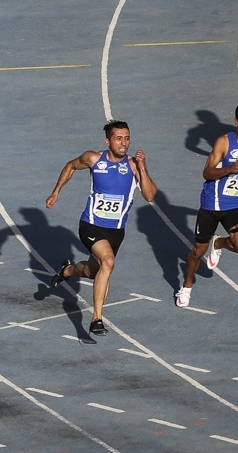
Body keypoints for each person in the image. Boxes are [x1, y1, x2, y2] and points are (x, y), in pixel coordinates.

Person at [45, 120, 157, 337]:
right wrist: (56, 191)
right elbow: (70, 166)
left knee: (92, 271)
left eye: (127, 138)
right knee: (108, 262)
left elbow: (150, 195)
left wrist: (143, 169)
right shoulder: (94, 159)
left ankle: (67, 270)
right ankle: (96, 318)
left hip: (116, 231)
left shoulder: (134, 165)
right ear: (108, 141)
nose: (123, 143)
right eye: (118, 138)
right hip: (91, 225)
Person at [176, 104, 238, 308]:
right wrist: (231, 169)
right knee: (197, 251)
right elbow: (207, 173)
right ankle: (187, 285)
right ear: (237, 122)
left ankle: (218, 244)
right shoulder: (224, 143)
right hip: (212, 205)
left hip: (236, 205)